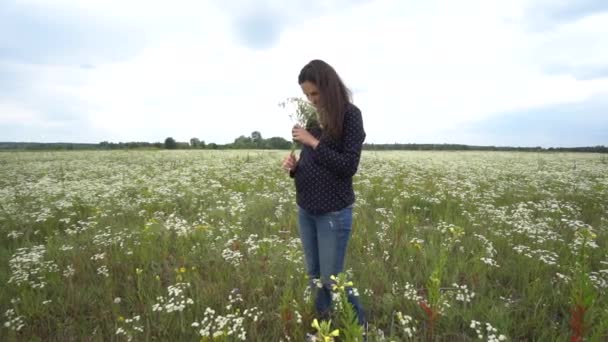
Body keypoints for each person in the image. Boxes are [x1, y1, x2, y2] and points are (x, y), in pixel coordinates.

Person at [281, 59, 367, 328]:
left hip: (333, 212)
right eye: (307, 95)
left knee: (332, 278)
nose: (311, 99)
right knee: (315, 275)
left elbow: (347, 166)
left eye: (315, 93)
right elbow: (313, 159)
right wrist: (295, 168)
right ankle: (323, 328)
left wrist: (311, 140)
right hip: (306, 209)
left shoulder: (350, 115)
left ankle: (360, 325)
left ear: (329, 86)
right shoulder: (312, 118)